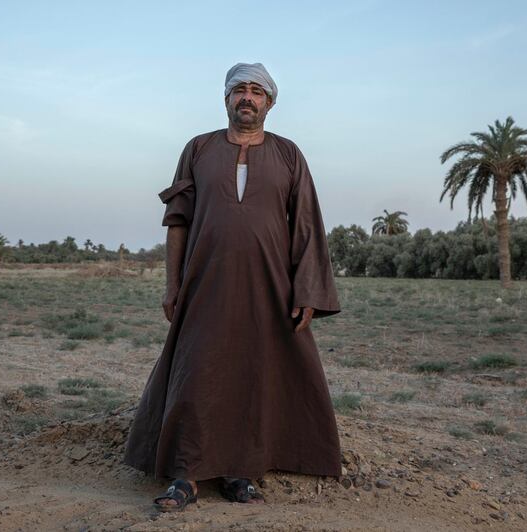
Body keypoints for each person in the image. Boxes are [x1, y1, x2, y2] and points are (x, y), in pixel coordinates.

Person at [123, 62, 342, 511]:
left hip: (270, 286)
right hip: (206, 283)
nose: (247, 97)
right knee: (196, 371)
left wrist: (307, 291)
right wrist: (173, 284)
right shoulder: (198, 149)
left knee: (255, 373)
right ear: (226, 99)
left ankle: (240, 473)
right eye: (239, 89)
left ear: (270, 102)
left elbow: (306, 226)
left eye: (256, 91)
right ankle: (185, 476)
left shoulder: (288, 155)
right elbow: (177, 222)